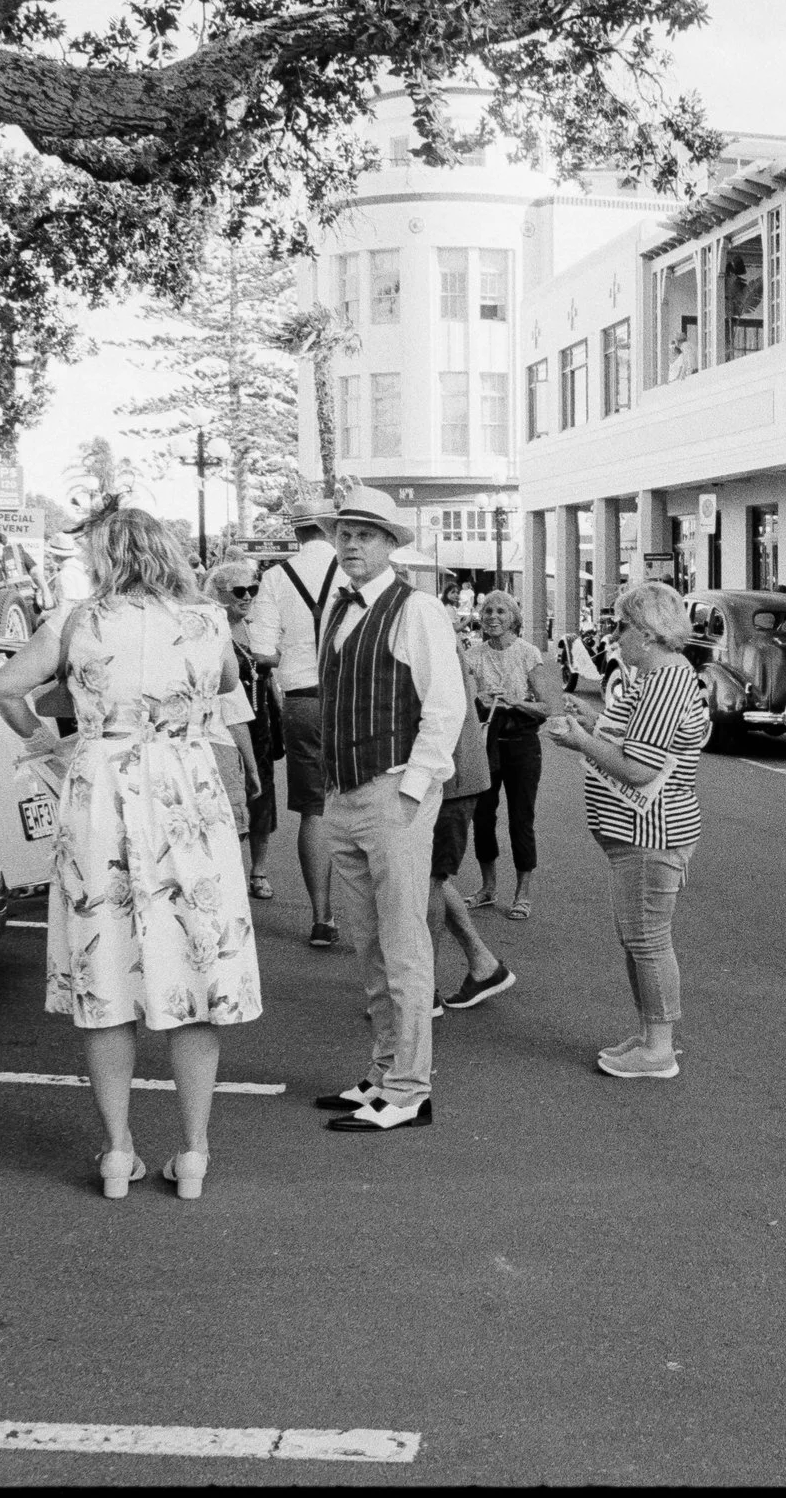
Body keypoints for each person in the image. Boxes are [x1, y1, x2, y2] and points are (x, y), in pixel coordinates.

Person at [0, 506, 261, 1201]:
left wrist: (47, 741)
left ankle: (117, 1151)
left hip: (100, 791)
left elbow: (5, 688)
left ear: (105, 558)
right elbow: (227, 684)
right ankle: (193, 1151)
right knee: (193, 960)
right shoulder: (207, 622)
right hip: (185, 795)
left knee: (106, 967)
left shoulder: (78, 622)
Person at [308, 486, 468, 1135]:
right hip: (344, 794)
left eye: (364, 534)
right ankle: (382, 1073)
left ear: (390, 544)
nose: (350, 544)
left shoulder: (417, 608)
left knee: (403, 942)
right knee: (369, 942)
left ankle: (408, 1087)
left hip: (393, 789)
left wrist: (411, 789)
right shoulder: (338, 606)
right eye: (344, 533)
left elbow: (445, 706)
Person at [544, 581, 712, 1080]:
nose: (615, 636)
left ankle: (659, 1047)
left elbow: (640, 768)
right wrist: (594, 720)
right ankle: (650, 1035)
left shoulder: (664, 681)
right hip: (642, 833)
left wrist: (580, 741)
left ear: (649, 633)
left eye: (622, 626)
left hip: (649, 833)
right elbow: (637, 736)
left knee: (647, 939)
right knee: (640, 937)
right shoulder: (660, 677)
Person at [246, 496, 345, 947]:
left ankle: (322, 917)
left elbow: (263, 654)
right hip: (357, 701)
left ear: (296, 531)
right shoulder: (355, 569)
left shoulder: (274, 578)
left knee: (315, 811)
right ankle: (376, 915)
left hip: (304, 700)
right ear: (332, 527)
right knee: (370, 801)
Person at [430, 630, 514, 1012]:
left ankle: (420, 991)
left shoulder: (420, 631)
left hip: (448, 778)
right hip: (449, 775)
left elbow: (435, 715)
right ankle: (484, 965)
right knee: (430, 878)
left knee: (426, 881)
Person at [462, 589, 548, 921]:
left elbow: (547, 707)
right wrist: (479, 699)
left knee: (521, 819)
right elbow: (463, 701)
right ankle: (487, 888)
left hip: (523, 740)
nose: (493, 617)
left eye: (500, 611)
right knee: (482, 816)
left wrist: (517, 701)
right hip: (487, 740)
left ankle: (522, 892)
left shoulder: (529, 653)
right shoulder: (472, 655)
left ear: (513, 617)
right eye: (487, 612)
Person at [202, 560, 273, 885]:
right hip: (228, 727)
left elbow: (269, 669)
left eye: (253, 590)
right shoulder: (210, 632)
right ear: (217, 594)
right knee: (233, 803)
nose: (248, 597)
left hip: (260, 720)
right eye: (240, 591)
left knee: (263, 798)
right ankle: (227, 878)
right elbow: (228, 701)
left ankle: (258, 869)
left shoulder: (253, 624)